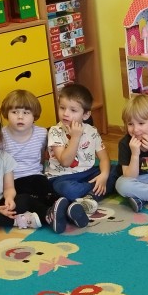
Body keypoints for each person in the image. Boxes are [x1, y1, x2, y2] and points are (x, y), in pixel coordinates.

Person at [0, 90, 72, 233]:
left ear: (34, 115)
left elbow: (42, 156)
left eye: (26, 113)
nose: (20, 117)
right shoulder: (1, 136)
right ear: (6, 113)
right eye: (14, 112)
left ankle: (70, 210)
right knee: (29, 199)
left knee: (49, 192)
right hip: (13, 179)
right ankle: (49, 216)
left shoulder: (41, 133)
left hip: (36, 175)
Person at [0, 110, 54, 237]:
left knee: (25, 199)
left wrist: (9, 199)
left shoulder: (5, 158)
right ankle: (17, 221)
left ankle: (49, 214)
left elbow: (9, 188)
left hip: (1, 202)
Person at [46, 83, 112, 227]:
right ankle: (90, 196)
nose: (66, 113)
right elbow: (65, 162)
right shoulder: (55, 131)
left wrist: (104, 175)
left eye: (73, 110)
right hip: (62, 177)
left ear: (86, 114)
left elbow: (104, 158)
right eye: (62, 108)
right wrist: (75, 137)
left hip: (87, 173)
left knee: (114, 171)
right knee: (67, 189)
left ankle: (87, 199)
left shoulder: (92, 131)